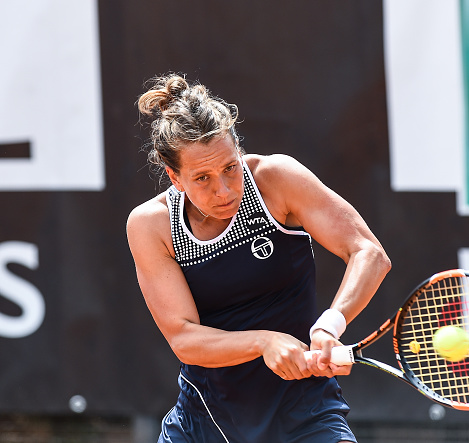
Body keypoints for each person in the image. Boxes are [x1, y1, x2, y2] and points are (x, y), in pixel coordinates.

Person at [127, 73, 391, 443]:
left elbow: (368, 252)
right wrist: (263, 342)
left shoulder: (276, 179)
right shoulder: (151, 225)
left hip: (306, 416)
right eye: (202, 178)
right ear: (175, 177)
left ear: (237, 148)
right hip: (205, 424)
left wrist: (330, 325)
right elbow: (184, 337)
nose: (223, 190)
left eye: (229, 168)